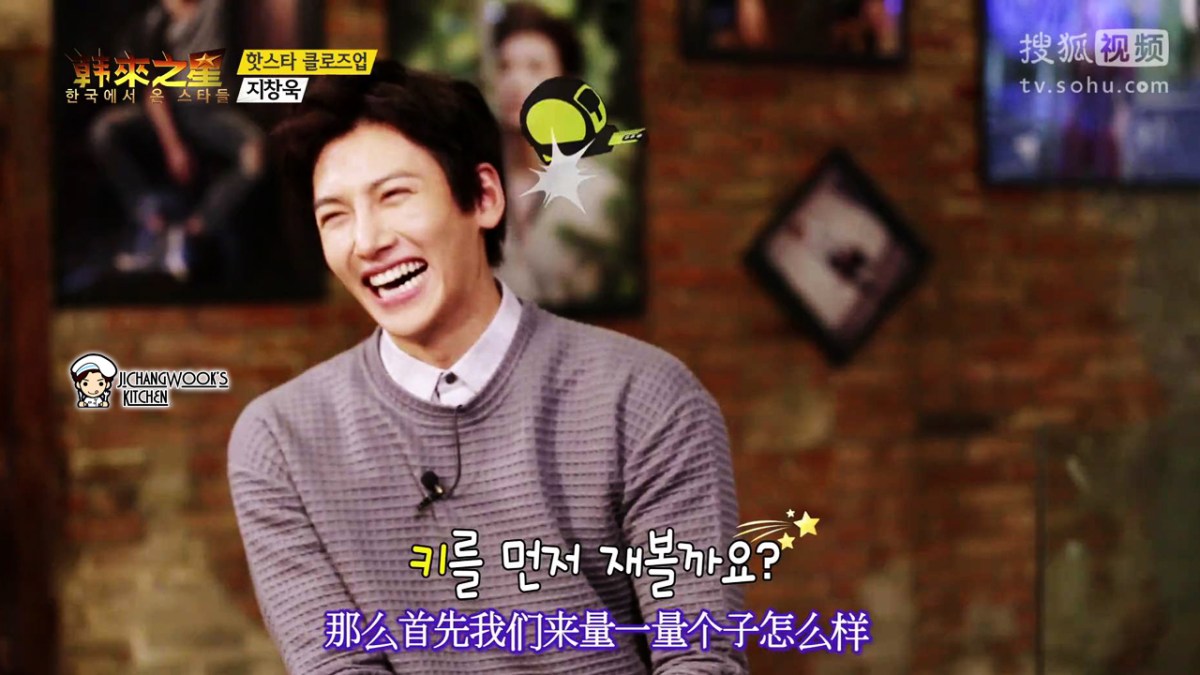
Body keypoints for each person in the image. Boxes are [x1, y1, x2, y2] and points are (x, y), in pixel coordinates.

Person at [226, 60, 746, 673]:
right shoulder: (279, 441)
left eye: (394, 196)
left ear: (484, 198)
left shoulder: (646, 398)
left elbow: (699, 655)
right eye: (334, 216)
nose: (366, 241)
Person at [88, 0, 265, 282]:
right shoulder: (152, 23)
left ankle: (191, 232)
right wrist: (173, 145)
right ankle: (151, 223)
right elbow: (152, 90)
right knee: (104, 130)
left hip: (212, 111)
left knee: (255, 150)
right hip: (168, 109)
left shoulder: (218, 7)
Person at [488, 2, 628, 308]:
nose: (515, 81)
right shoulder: (474, 191)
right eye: (505, 67)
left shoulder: (601, 196)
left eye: (535, 67)